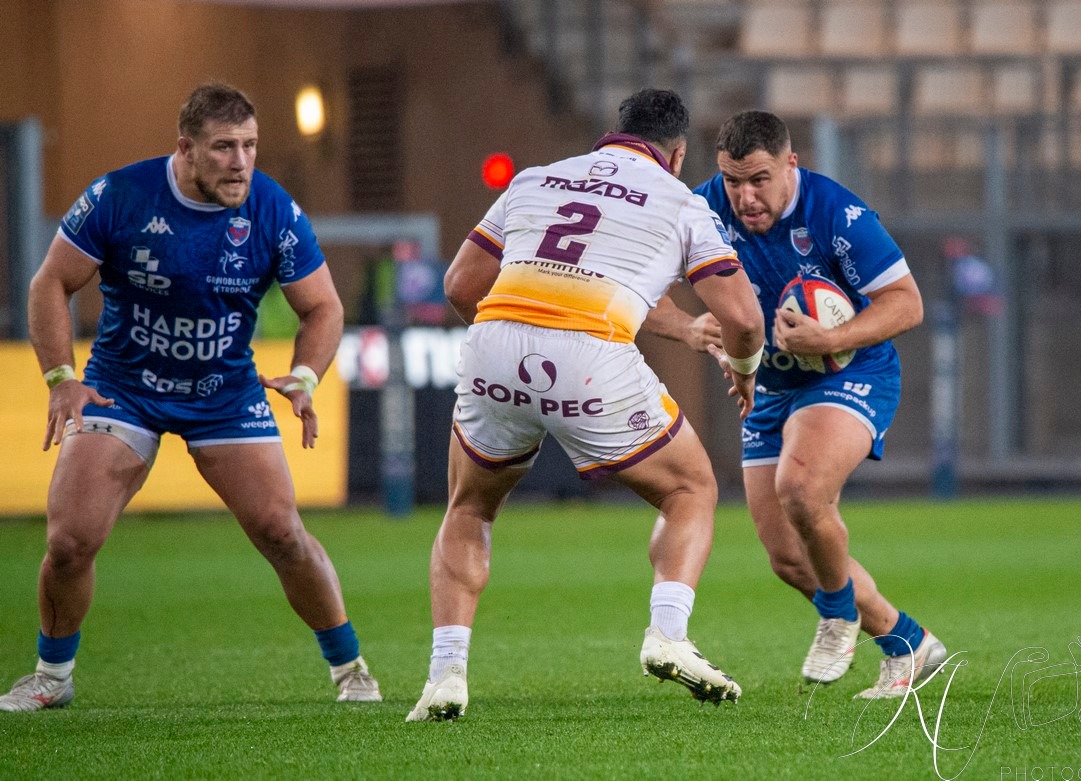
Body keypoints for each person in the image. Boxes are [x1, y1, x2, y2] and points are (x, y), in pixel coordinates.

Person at [0, 83, 380, 712]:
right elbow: (50, 283)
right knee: (69, 542)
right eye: (225, 147)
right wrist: (61, 377)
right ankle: (51, 677)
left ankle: (351, 669)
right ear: (186, 149)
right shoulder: (120, 195)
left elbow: (323, 308)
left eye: (250, 146)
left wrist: (306, 376)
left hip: (223, 393)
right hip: (124, 389)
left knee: (282, 533)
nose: (241, 163)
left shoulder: (272, 209)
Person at [405, 88, 764, 722]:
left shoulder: (535, 178)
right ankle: (668, 635)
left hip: (495, 340)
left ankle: (444, 676)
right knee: (691, 489)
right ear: (678, 154)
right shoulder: (680, 201)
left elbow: (460, 285)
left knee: (470, 507)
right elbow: (743, 319)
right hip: (590, 358)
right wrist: (743, 371)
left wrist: (508, 353)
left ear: (613, 134)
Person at [646, 110, 946, 699]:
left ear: (791, 164)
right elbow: (631, 289)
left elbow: (906, 303)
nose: (745, 197)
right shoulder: (698, 211)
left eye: (759, 179)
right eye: (733, 180)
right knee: (787, 556)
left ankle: (836, 616)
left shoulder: (837, 214)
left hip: (851, 372)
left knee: (802, 488)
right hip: (768, 388)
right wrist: (688, 328)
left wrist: (832, 337)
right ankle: (908, 643)